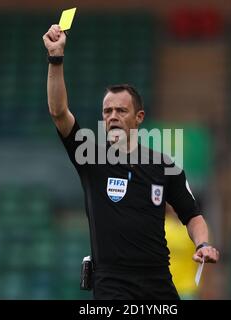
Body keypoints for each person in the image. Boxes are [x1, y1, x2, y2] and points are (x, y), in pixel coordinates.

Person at [42, 24, 219, 300]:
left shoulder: (164, 165)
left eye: (121, 110)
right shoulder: (90, 156)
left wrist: (203, 243)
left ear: (139, 117)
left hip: (158, 284)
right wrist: (55, 58)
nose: (112, 115)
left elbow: (192, 215)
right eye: (107, 111)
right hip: (112, 284)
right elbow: (58, 112)